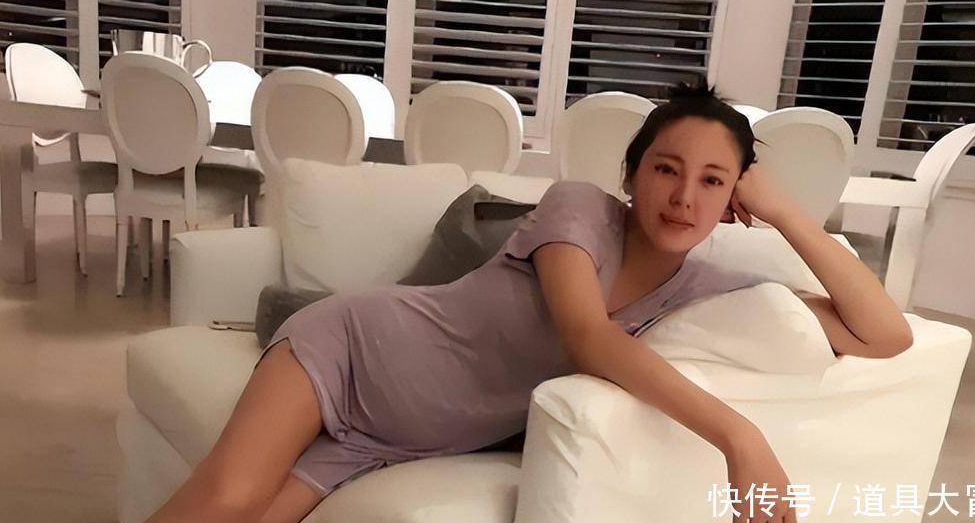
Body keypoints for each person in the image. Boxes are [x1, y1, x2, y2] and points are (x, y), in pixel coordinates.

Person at [146, 83, 913, 523]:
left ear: (735, 197)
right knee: (230, 498)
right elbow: (586, 335)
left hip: (389, 441)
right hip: (351, 352)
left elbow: (887, 335)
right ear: (633, 173)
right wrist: (738, 436)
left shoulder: (706, 290)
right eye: (666, 168)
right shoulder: (578, 209)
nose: (685, 194)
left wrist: (786, 211)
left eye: (713, 180)